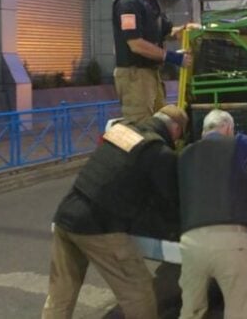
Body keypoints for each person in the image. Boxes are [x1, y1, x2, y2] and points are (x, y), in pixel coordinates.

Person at [41, 105, 188, 319]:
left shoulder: (121, 131)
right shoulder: (158, 152)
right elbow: (169, 200)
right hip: (100, 226)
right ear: (175, 129)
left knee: (61, 292)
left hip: (66, 215)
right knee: (139, 291)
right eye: (180, 134)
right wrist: (179, 230)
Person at [177, 101, 247, 319]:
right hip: (230, 241)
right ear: (229, 128)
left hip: (191, 243)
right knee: (241, 310)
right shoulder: (235, 143)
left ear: (203, 132)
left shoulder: (185, 155)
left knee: (191, 310)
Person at [112, 0, 198, 124]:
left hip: (151, 74)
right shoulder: (128, 4)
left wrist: (185, 29)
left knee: (161, 123)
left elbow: (167, 30)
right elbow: (135, 44)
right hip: (135, 76)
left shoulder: (150, 4)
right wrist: (173, 57)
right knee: (141, 126)